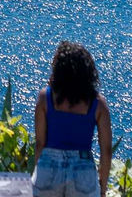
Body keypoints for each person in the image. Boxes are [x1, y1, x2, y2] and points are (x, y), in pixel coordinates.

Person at [32, 41, 113, 197]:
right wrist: (102, 188)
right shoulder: (98, 104)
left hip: (48, 168)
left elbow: (40, 143)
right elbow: (106, 151)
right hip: (83, 173)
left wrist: (39, 171)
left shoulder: (45, 98)